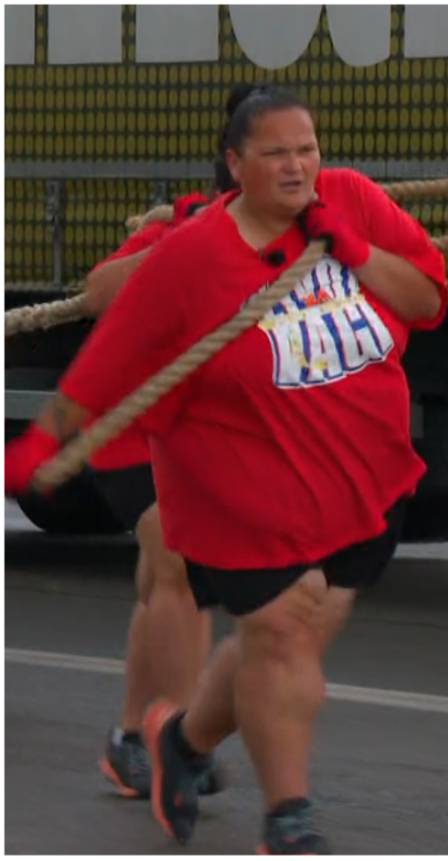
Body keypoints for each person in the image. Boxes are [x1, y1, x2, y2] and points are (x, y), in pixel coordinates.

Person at [6, 85, 447, 853]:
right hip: (238, 481)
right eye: (275, 152)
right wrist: (39, 446)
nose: (296, 165)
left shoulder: (349, 202)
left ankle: (183, 739)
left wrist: (356, 247)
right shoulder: (192, 245)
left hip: (364, 477)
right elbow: (106, 333)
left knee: (294, 639)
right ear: (234, 163)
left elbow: (428, 298)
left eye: (305, 148)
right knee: (270, 631)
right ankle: (289, 816)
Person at [89, 84, 258, 804]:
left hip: (202, 438)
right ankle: (167, 735)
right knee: (177, 565)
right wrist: (185, 242)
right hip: (132, 424)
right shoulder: (190, 222)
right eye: (273, 150)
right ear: (233, 161)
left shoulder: (304, 235)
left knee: (175, 580)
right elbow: (98, 290)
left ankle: (135, 737)